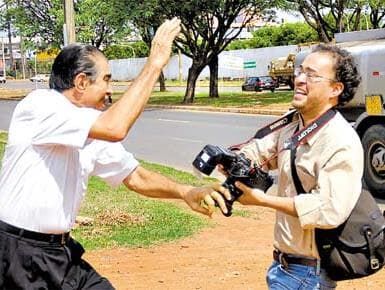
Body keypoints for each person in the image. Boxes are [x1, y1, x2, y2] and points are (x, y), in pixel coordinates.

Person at [0, 18, 228, 289]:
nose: (110, 90)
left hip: (60, 253)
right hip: (20, 255)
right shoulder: (41, 106)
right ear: (81, 82)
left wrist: (186, 192)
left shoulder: (87, 127)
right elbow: (116, 127)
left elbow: (135, 177)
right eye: (106, 79)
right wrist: (154, 63)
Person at [213, 44, 362, 289]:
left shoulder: (340, 140)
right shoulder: (294, 125)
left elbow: (329, 209)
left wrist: (261, 200)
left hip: (308, 275)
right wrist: (235, 159)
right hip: (285, 268)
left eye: (312, 75)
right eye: (300, 71)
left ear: (335, 89)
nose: (300, 80)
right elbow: (263, 150)